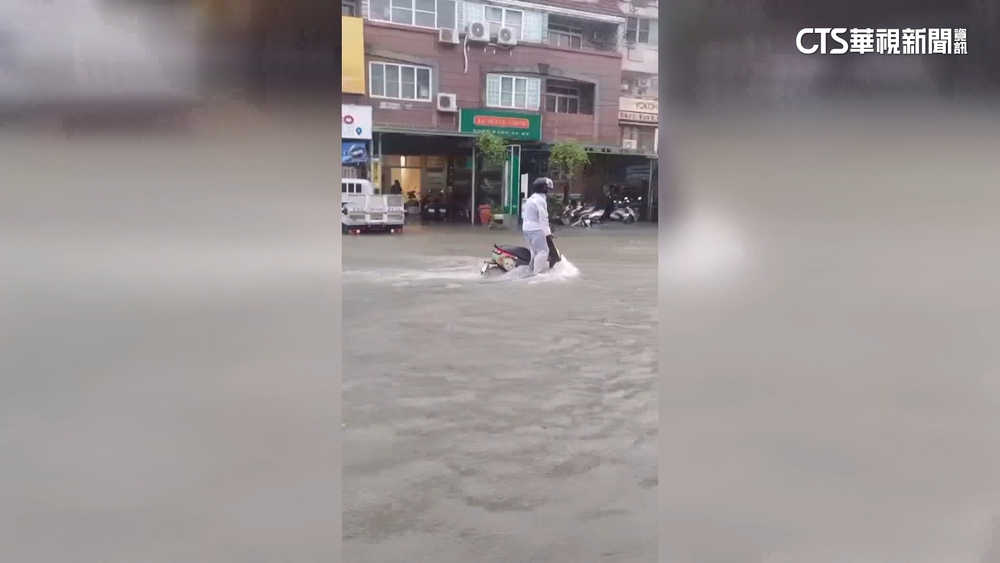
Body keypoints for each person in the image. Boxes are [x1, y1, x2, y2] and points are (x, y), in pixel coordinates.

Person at [521, 176, 553, 276]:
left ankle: (530, 270)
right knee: (543, 251)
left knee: (534, 251)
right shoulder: (540, 200)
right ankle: (536, 274)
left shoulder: (531, 199)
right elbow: (543, 218)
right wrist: (548, 233)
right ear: (545, 188)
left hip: (526, 228)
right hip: (536, 229)